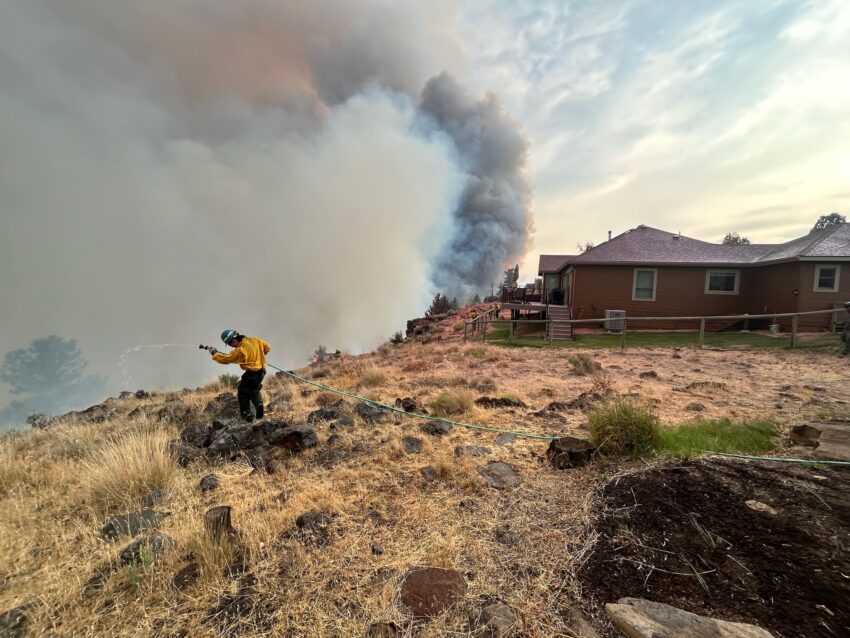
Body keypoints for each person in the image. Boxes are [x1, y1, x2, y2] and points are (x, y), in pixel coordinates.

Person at [209, 329, 271, 422]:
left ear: (235, 338)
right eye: (229, 344)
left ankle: (246, 414)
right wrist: (262, 354)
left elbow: (226, 359)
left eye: (230, 342)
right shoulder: (255, 340)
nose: (231, 345)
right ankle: (259, 404)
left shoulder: (239, 351)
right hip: (262, 372)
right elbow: (267, 347)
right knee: (254, 390)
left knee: (243, 392)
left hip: (251, 373)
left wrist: (214, 354)